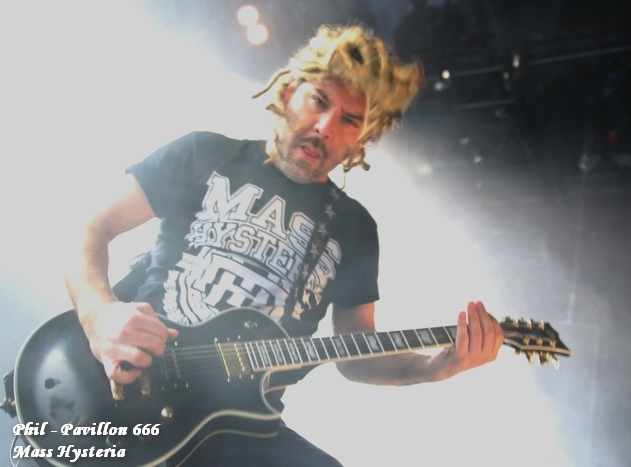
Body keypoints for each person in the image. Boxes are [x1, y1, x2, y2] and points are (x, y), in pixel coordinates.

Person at [64, 24, 504, 466]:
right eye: (319, 101)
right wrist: (99, 315)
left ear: (364, 138)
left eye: (350, 120)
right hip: (133, 384)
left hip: (242, 427)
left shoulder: (353, 228)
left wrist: (438, 366)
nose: (325, 127)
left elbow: (357, 355)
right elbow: (91, 227)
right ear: (291, 91)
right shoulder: (205, 153)